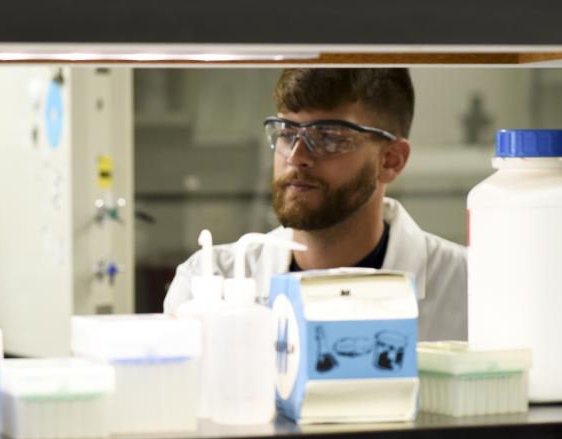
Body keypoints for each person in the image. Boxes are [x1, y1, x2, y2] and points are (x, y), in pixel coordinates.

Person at [164, 68, 467, 342]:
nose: (296, 157)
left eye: (329, 138)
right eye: (286, 133)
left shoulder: (471, 286)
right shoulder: (209, 282)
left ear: (391, 160)